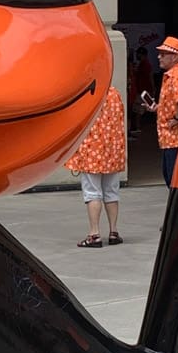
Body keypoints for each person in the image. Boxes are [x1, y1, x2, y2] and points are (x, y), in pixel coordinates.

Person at [65, 85, 126, 248]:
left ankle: (94, 234)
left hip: (92, 151)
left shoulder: (87, 94)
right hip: (112, 152)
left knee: (92, 193)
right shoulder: (114, 93)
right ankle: (114, 232)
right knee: (111, 192)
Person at [143, 35, 178, 186]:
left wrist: (177, 118)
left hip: (177, 138)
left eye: (163, 54)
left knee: (176, 180)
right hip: (172, 139)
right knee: (172, 178)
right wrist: (158, 109)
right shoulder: (174, 75)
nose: (159, 57)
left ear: (174, 57)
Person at [129, 47, 153, 135]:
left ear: (142, 54)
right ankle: (137, 128)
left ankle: (137, 128)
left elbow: (150, 76)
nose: (137, 55)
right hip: (141, 90)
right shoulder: (142, 63)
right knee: (138, 110)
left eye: (138, 54)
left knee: (139, 110)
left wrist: (153, 88)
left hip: (144, 91)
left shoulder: (146, 64)